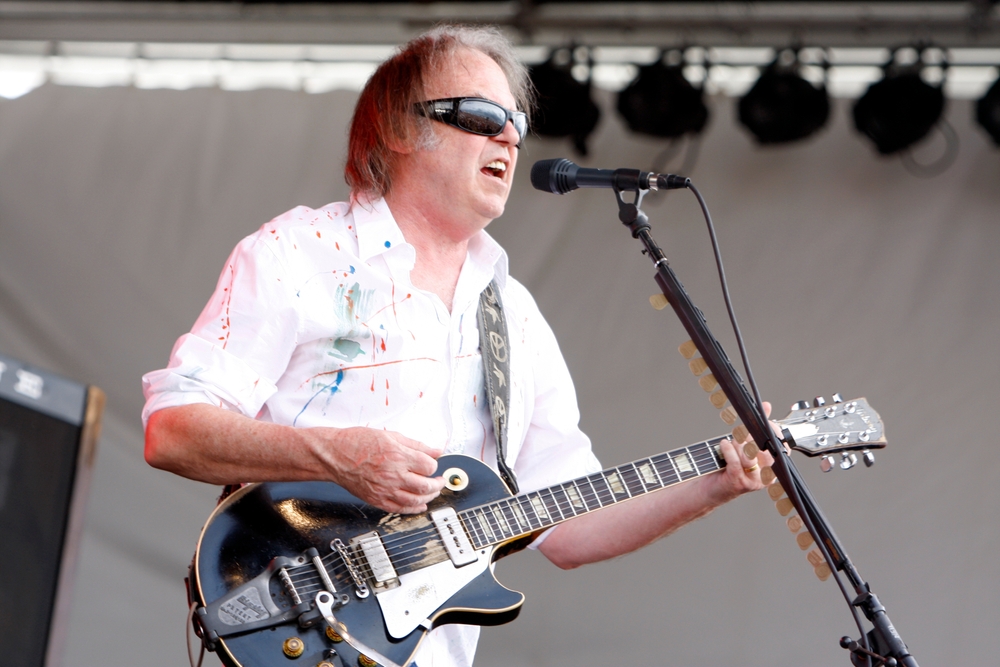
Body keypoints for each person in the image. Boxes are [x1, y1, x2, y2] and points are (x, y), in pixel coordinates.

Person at [142, 24, 773, 667]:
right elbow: (172, 431)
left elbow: (568, 528)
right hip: (295, 622)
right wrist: (336, 456)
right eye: (480, 115)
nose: (509, 137)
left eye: (518, 123)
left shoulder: (513, 318)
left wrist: (718, 482)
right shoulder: (297, 256)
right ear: (394, 128)